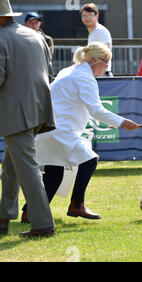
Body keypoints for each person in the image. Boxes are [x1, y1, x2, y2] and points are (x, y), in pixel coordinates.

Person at [20, 42, 139, 222]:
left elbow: (74, 105)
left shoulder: (69, 71)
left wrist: (114, 123)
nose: (107, 67)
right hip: (59, 130)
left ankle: (30, 212)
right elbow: (96, 110)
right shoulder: (84, 77)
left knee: (54, 174)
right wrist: (122, 122)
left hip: (47, 129)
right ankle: (77, 204)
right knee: (89, 160)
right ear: (94, 60)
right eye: (106, 62)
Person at [0, 0, 56, 238]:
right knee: (11, 168)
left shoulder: (1, 38)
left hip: (14, 112)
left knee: (27, 168)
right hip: (38, 109)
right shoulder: (35, 36)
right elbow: (50, 73)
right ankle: (4, 217)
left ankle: (43, 224)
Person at [81, 3, 113, 77]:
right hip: (95, 73)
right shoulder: (93, 32)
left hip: (102, 74)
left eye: (90, 15)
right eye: (84, 16)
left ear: (97, 16)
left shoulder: (101, 31)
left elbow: (106, 54)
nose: (87, 18)